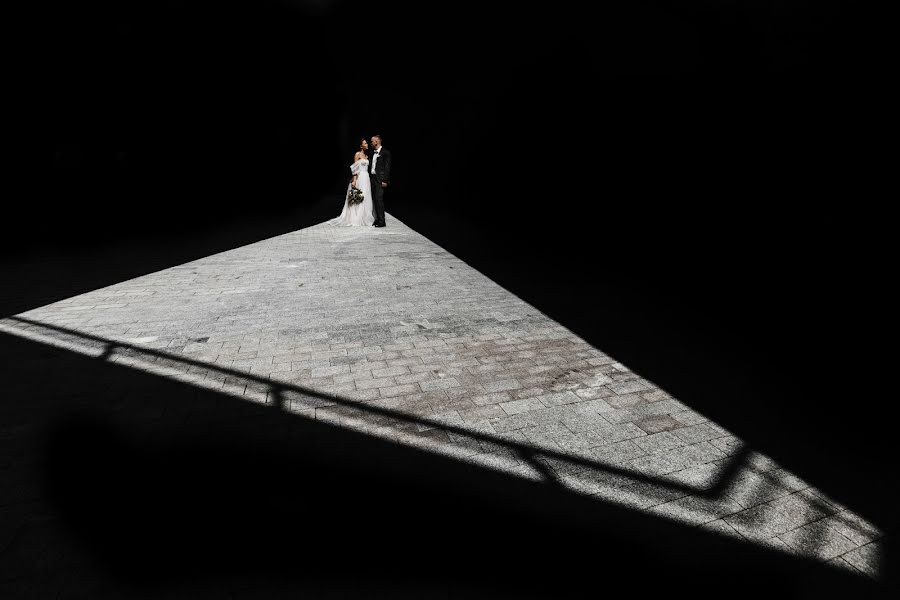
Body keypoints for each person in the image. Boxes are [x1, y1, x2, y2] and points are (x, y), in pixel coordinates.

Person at [328, 138, 375, 227]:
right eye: (365, 143)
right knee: (358, 196)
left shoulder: (366, 156)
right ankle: (356, 217)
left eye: (366, 143)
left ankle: (364, 217)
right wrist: (354, 180)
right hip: (360, 177)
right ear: (361, 145)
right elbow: (355, 169)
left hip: (366, 178)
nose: (367, 144)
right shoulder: (357, 154)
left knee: (366, 196)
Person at [369, 135, 391, 227]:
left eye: (372, 141)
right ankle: (377, 219)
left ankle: (382, 221)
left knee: (379, 199)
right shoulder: (372, 153)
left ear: (377, 142)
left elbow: (387, 167)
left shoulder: (385, 153)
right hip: (372, 179)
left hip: (380, 180)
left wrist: (385, 180)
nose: (371, 143)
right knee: (374, 199)